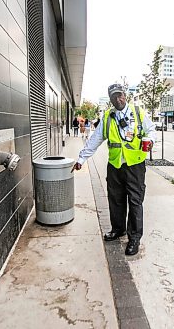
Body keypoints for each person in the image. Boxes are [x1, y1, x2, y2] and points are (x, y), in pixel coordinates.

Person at [72, 84, 156, 256]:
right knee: (116, 200)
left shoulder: (138, 112)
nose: (118, 99)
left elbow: (151, 130)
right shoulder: (108, 117)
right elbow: (95, 139)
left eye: (120, 95)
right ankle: (118, 229)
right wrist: (82, 158)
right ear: (110, 99)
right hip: (115, 165)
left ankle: (134, 238)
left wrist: (150, 139)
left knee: (135, 201)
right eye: (114, 97)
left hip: (135, 165)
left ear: (125, 96)